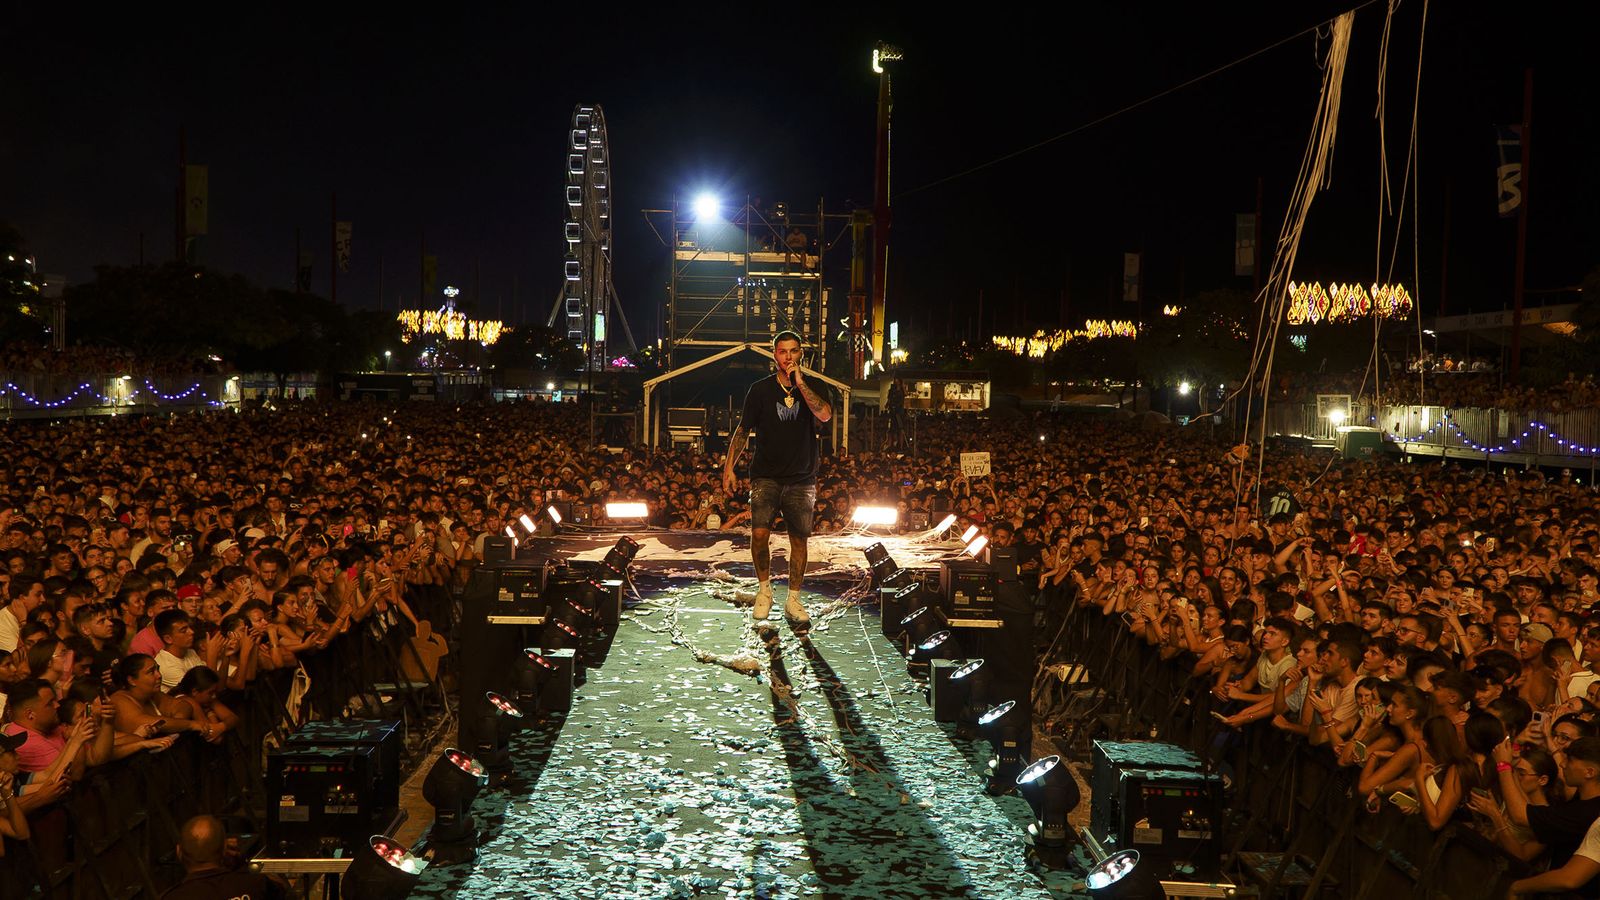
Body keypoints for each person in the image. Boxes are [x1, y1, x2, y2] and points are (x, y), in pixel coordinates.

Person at [723, 330, 832, 623]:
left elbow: (824, 415)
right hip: (766, 475)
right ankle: (764, 590)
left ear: (801, 355)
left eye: (794, 351)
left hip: (801, 477)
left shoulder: (815, 386)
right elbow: (743, 430)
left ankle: (794, 600)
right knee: (759, 533)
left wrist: (800, 382)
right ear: (775, 356)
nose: (788, 357)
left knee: (799, 539)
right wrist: (729, 468)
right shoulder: (759, 390)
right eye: (783, 352)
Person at [160, 814, 285, 900]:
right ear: (225, 850)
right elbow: (283, 890)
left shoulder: (171, 897)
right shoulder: (256, 885)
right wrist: (242, 865)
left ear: (179, 852)